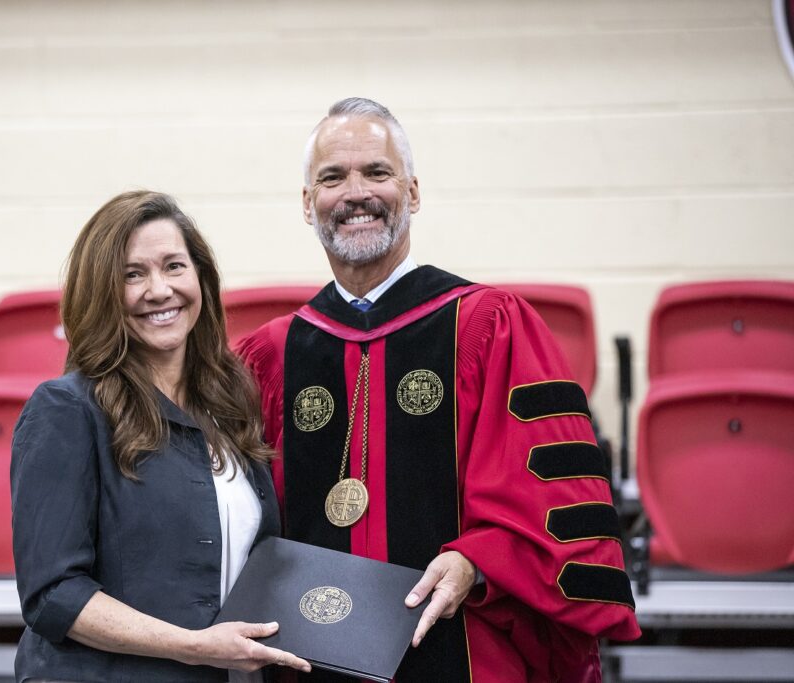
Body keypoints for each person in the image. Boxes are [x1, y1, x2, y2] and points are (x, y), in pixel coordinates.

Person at [238, 98, 641, 681]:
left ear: (414, 192)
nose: (356, 193)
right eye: (333, 177)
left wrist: (475, 561)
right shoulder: (273, 354)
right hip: (306, 660)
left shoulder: (490, 326)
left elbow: (547, 500)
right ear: (308, 204)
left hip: (462, 650)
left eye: (377, 172)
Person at [11, 190, 311, 682]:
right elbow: (53, 595)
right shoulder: (66, 410)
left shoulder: (231, 401)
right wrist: (193, 646)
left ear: (200, 278)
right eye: (133, 274)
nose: (159, 289)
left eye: (174, 266)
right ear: (103, 292)